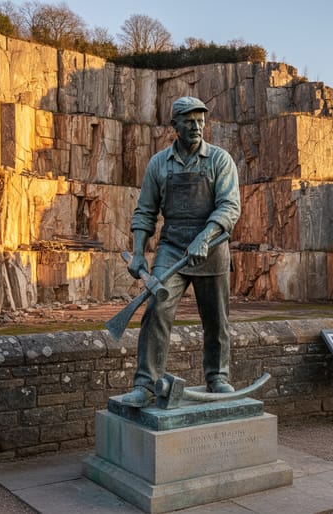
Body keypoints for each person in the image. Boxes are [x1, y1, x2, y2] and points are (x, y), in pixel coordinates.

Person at [119, 96, 241, 407]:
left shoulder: (219, 160)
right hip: (172, 248)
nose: (197, 126)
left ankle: (217, 377)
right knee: (156, 310)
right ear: (174, 126)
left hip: (211, 249)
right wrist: (137, 253)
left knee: (216, 319)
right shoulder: (159, 163)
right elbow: (145, 211)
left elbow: (229, 207)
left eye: (200, 120)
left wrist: (205, 237)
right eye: (189, 121)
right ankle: (145, 384)